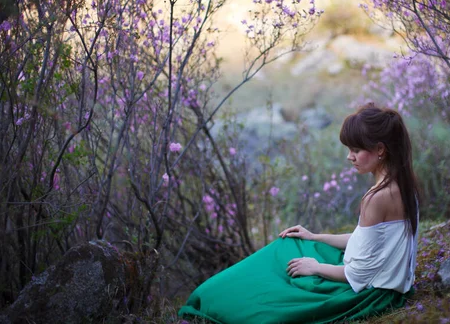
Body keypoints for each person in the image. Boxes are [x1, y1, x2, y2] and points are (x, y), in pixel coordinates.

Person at [178, 103, 420, 324]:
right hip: (381, 285)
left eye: (356, 149)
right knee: (293, 243)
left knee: (280, 267)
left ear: (380, 149)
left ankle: (213, 298)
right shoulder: (402, 185)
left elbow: (358, 275)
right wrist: (314, 237)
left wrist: (315, 267)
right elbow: (368, 241)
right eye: (349, 149)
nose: (350, 156)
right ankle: (222, 293)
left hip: (369, 293)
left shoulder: (377, 197)